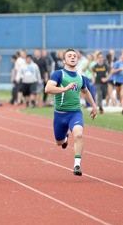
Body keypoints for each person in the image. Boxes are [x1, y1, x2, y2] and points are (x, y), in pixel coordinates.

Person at [44, 48, 97, 176]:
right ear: (64, 60)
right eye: (69, 56)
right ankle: (65, 138)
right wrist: (65, 88)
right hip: (60, 114)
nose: (73, 57)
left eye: (74, 56)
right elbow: (47, 88)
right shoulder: (59, 74)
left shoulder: (81, 77)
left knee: (79, 134)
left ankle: (77, 165)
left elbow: (85, 91)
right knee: (59, 142)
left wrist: (94, 106)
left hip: (75, 113)